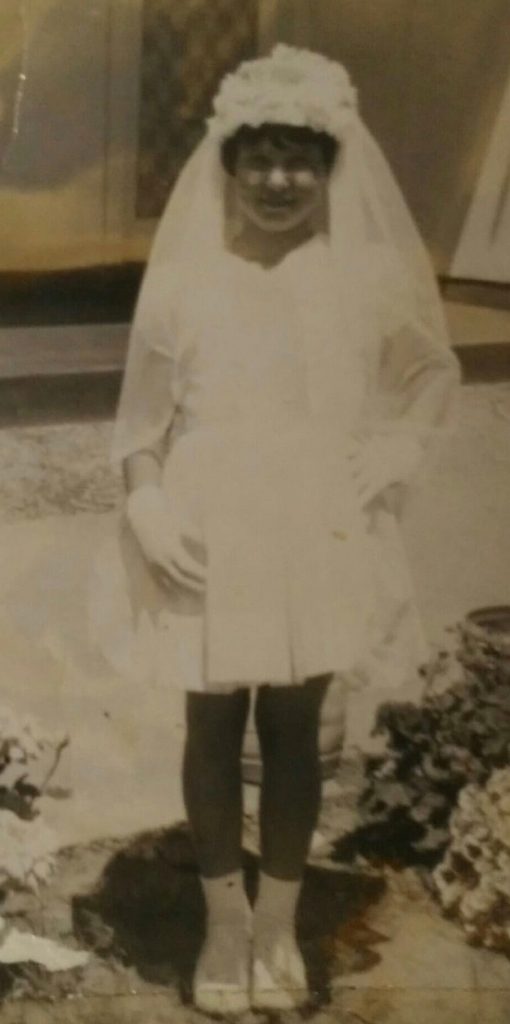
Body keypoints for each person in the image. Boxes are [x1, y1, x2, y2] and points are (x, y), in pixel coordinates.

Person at [110, 45, 460, 1013]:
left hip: (315, 520)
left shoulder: (367, 273)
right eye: (258, 154)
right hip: (210, 521)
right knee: (214, 719)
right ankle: (224, 921)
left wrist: (395, 452)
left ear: (332, 162)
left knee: (298, 727)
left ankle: (278, 921)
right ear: (227, 160)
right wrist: (146, 500)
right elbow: (140, 424)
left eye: (300, 156)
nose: (277, 178)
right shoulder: (189, 278)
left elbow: (432, 373)